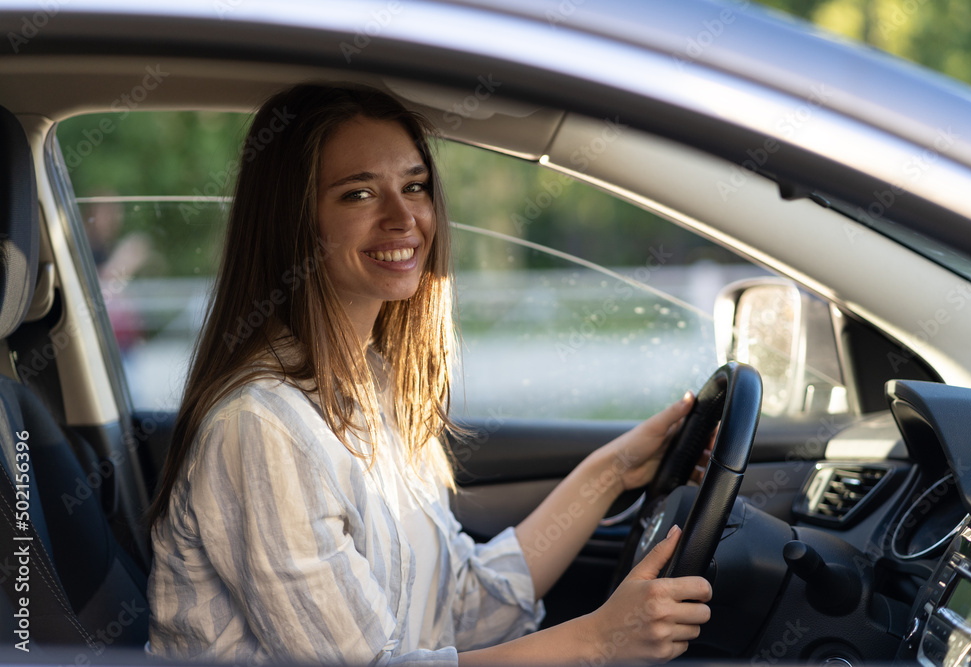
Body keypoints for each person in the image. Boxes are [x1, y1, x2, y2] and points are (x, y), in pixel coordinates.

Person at [147, 83, 711, 666]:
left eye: (414, 187)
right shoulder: (261, 428)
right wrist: (598, 641)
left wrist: (614, 470)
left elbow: (461, 607)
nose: (405, 217)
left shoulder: (374, 385)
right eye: (359, 194)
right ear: (293, 222)